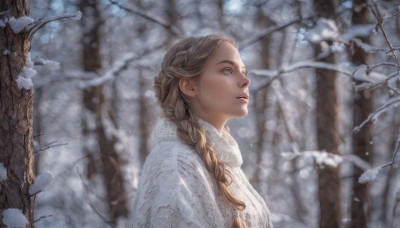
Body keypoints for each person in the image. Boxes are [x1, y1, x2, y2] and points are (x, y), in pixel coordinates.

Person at [131, 35, 272, 228]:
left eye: (243, 71)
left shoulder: (223, 160)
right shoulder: (175, 164)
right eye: (228, 70)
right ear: (189, 86)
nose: (246, 80)